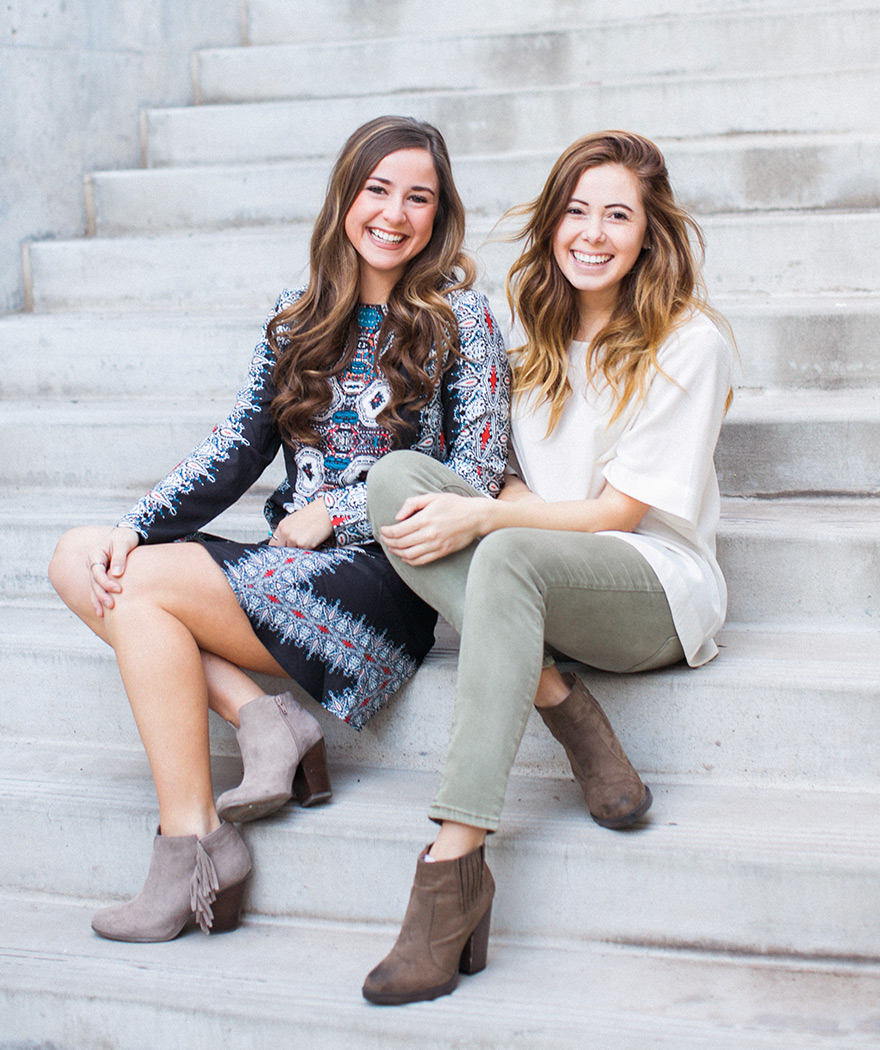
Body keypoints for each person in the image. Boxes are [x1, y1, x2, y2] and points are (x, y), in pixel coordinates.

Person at [48, 115, 509, 944]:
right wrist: (134, 524)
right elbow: (234, 449)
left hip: (386, 585)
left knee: (137, 588)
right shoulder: (297, 320)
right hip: (283, 570)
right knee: (81, 556)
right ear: (344, 198)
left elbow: (475, 473)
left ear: (440, 216)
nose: (394, 214)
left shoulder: (461, 318)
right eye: (377, 190)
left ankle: (196, 839)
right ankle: (249, 738)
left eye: (419, 198)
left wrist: (339, 510)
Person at [363, 130, 735, 1004]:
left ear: (650, 233)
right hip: (531, 564)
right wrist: (498, 500)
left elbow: (614, 515)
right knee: (395, 483)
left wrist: (494, 513)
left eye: (618, 216)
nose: (592, 234)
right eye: (576, 211)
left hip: (652, 587)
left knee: (506, 548)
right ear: (553, 221)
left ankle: (453, 863)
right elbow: (497, 463)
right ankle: (560, 699)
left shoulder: (690, 341)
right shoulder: (525, 320)